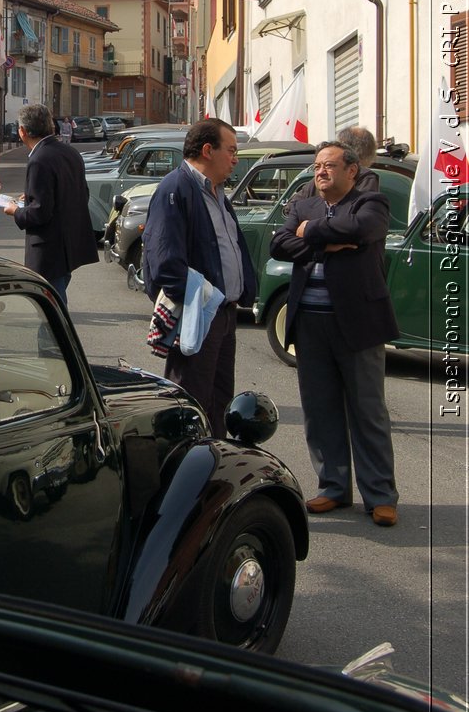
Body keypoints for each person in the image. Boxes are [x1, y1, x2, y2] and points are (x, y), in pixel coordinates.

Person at [269, 140, 399, 527]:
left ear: (351, 171)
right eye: (317, 166)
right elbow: (279, 243)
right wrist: (328, 243)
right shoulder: (303, 204)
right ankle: (333, 487)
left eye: (328, 165)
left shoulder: (371, 202)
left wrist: (311, 233)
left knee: (367, 410)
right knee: (320, 408)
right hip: (310, 323)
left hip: (358, 324)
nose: (320, 171)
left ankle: (380, 495)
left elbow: (362, 229)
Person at [141, 119, 256, 440]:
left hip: (224, 314)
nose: (236, 158)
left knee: (219, 400)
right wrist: (203, 301)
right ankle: (189, 475)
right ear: (208, 150)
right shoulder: (175, 189)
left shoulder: (216, 192)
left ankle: (215, 469)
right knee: (191, 403)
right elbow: (164, 262)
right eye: (231, 150)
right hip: (199, 315)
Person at [2, 104, 98, 305]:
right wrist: (31, 196)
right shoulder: (70, 152)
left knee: (50, 307)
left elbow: (40, 213)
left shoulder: (39, 159)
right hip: (69, 244)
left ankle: (55, 338)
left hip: (50, 248)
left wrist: (16, 211)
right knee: (55, 299)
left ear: (23, 132)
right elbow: (79, 193)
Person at [296, 126, 379, 198]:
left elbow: (289, 207)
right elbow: (365, 209)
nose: (321, 171)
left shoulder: (319, 178)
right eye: (317, 166)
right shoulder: (366, 176)